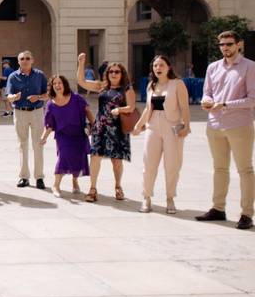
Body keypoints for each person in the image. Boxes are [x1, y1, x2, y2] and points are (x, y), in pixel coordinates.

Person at [196, 30, 255, 229]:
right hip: (214, 125)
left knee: (245, 170)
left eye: (229, 44)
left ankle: (247, 213)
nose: (225, 48)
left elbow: (252, 100)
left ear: (239, 44)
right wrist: (207, 101)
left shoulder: (249, 67)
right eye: (222, 44)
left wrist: (226, 104)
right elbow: (207, 93)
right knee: (219, 169)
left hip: (239, 125)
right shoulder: (213, 67)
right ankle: (218, 208)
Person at [131, 55, 190, 214]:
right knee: (149, 164)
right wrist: (138, 124)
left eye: (161, 65)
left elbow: (184, 107)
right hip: (153, 127)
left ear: (168, 67)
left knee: (172, 165)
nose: (158, 68)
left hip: (172, 127)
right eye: (155, 65)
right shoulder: (151, 85)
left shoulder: (177, 84)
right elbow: (148, 108)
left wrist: (186, 126)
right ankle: (146, 197)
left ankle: (170, 198)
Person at [76, 54, 137, 202]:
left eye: (117, 71)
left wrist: (120, 110)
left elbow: (131, 107)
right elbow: (81, 82)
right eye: (111, 71)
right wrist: (81, 63)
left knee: (116, 160)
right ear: (107, 74)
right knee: (95, 156)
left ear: (122, 74)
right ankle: (92, 188)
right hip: (100, 126)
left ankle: (118, 186)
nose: (114, 74)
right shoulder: (102, 86)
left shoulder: (127, 89)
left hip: (117, 128)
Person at [39, 75, 93, 198]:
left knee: (78, 158)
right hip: (63, 136)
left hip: (79, 133)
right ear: (52, 87)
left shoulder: (77, 98)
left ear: (65, 85)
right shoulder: (50, 105)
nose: (57, 86)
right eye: (55, 84)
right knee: (63, 158)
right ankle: (56, 185)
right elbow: (49, 125)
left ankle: (75, 181)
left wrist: (95, 125)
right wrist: (44, 137)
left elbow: (88, 111)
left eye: (60, 83)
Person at [5, 51, 48, 189]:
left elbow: (47, 94)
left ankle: (39, 177)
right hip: (20, 112)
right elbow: (8, 96)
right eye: (22, 59)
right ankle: (24, 177)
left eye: (27, 58)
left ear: (32, 60)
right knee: (22, 145)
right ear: (18, 61)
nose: (25, 60)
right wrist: (13, 97)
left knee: (38, 145)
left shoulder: (40, 75)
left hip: (37, 112)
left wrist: (39, 97)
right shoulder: (13, 76)